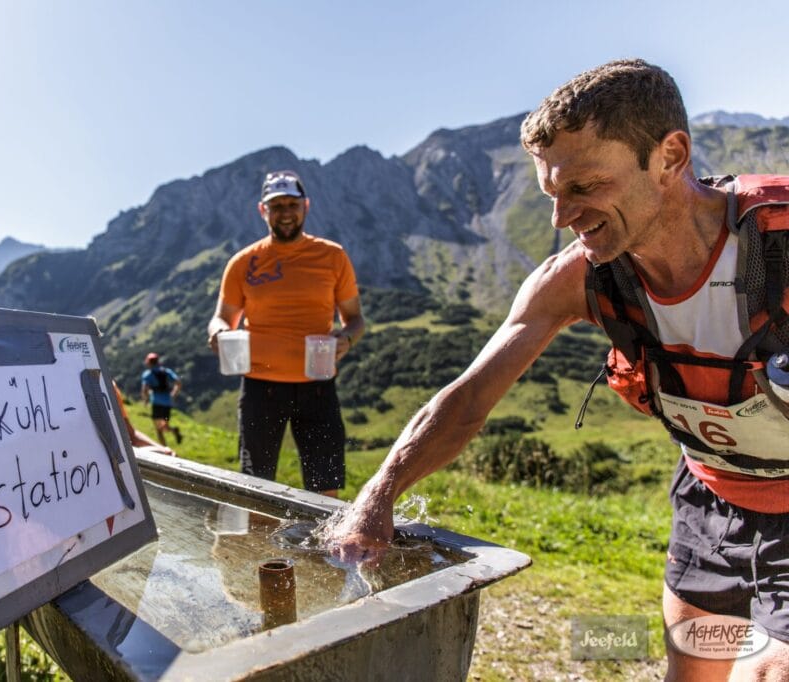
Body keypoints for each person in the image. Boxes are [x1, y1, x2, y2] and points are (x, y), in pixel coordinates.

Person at [332, 59, 789, 680]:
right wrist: (376, 498)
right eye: (552, 194)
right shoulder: (576, 281)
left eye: (584, 187)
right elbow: (466, 402)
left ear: (670, 157)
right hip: (709, 497)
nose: (561, 218)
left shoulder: (778, 243)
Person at [207, 170, 366, 498]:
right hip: (259, 387)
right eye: (276, 206)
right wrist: (220, 332)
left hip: (318, 386)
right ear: (262, 210)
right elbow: (221, 317)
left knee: (326, 492)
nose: (285, 213)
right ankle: (258, 550)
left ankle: (323, 551)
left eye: (291, 204)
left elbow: (355, 320)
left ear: (305, 206)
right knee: (256, 489)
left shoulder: (333, 257)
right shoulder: (243, 263)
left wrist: (346, 339)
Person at [112, 379, 175, 457]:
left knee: (160, 429)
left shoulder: (111, 387)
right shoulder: (110, 386)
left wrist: (163, 450)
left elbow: (131, 434)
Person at [140, 352, 183, 447]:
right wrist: (174, 393)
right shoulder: (166, 371)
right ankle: (174, 431)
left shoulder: (147, 375)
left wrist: (146, 400)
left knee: (159, 429)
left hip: (156, 403)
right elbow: (178, 382)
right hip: (167, 403)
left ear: (149, 362)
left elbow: (144, 389)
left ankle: (165, 450)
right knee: (164, 426)